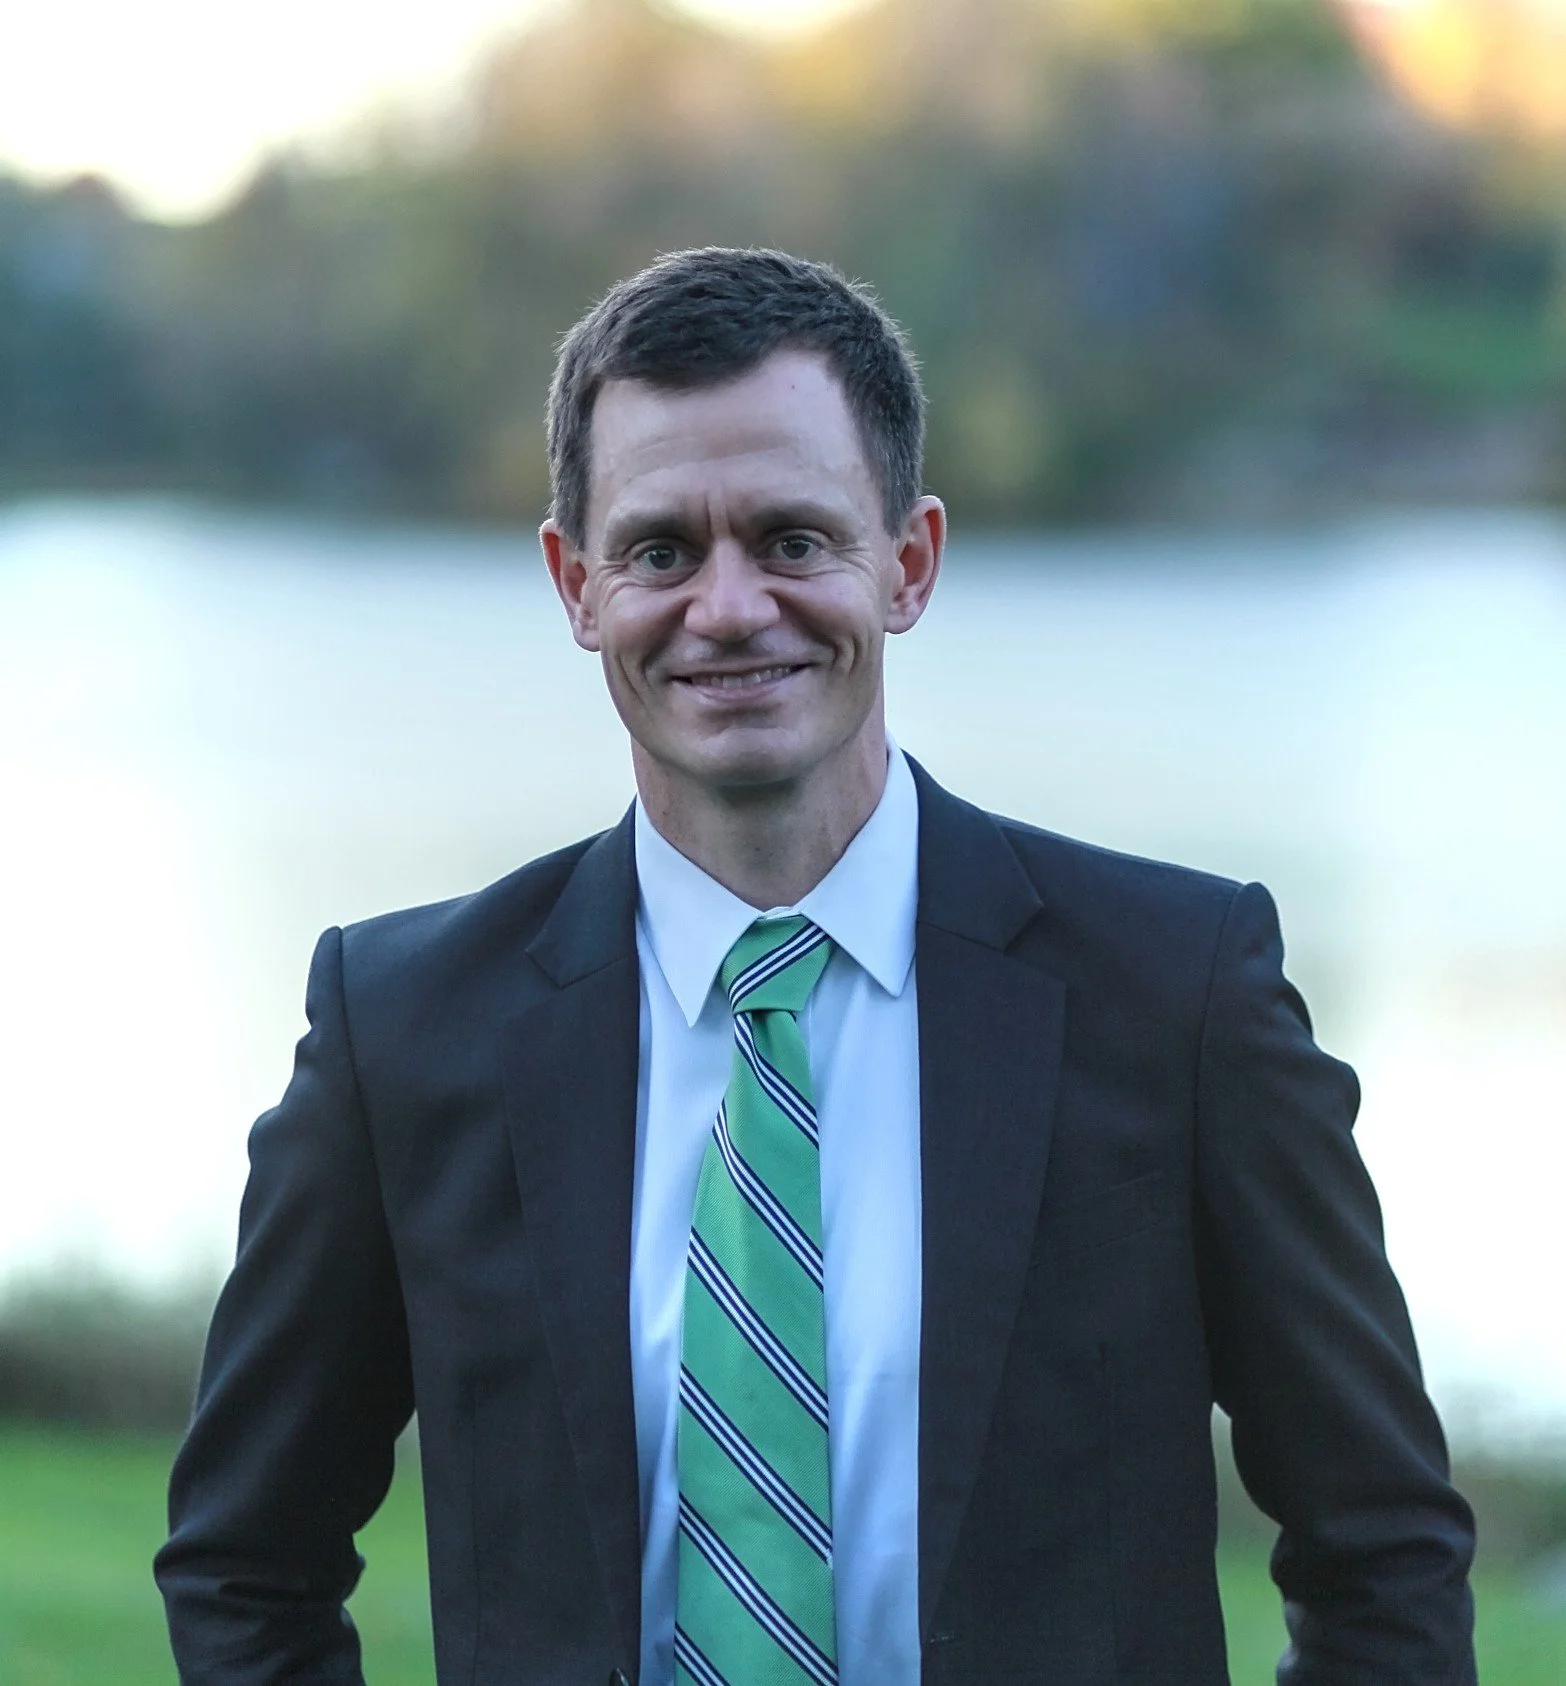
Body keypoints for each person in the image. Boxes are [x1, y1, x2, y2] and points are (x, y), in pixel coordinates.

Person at [157, 247, 1476, 1685]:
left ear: (906, 562)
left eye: (792, 538)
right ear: (574, 583)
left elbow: (1380, 1550)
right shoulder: (403, 1029)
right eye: (661, 548)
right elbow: (247, 1560)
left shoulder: (1178, 994)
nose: (727, 607)